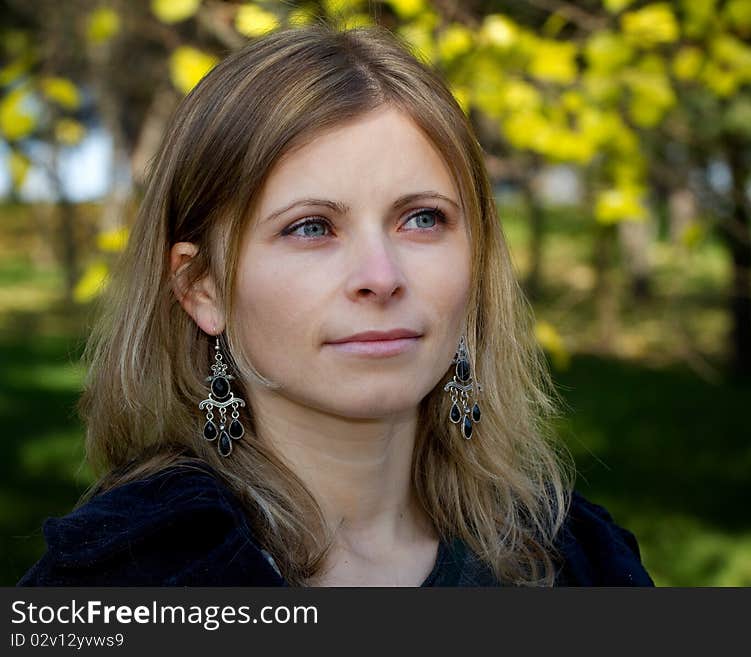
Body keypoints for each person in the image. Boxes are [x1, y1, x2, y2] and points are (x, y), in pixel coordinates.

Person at [18, 20, 653, 587]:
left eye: (423, 219)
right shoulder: (133, 576)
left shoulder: (577, 562)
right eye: (311, 227)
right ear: (201, 288)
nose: (381, 276)